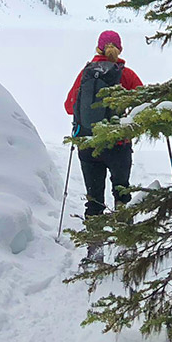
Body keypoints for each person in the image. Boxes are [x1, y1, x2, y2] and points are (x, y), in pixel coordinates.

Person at [64, 30, 143, 239]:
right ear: (120, 49)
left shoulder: (86, 73)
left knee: (94, 199)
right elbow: (143, 104)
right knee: (122, 193)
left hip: (88, 145)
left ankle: (94, 251)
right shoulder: (125, 74)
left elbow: (69, 107)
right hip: (118, 144)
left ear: (98, 48)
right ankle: (125, 247)